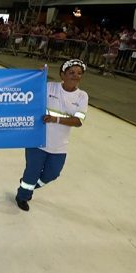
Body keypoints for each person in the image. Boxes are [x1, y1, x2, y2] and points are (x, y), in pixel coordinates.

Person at [15, 59, 89, 211]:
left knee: (52, 174)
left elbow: (78, 121)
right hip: (38, 140)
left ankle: (29, 185)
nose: (75, 76)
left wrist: (56, 119)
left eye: (79, 73)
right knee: (32, 171)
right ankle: (22, 196)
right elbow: (30, 91)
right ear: (63, 74)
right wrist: (39, 75)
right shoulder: (50, 87)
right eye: (71, 72)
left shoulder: (82, 96)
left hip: (59, 145)